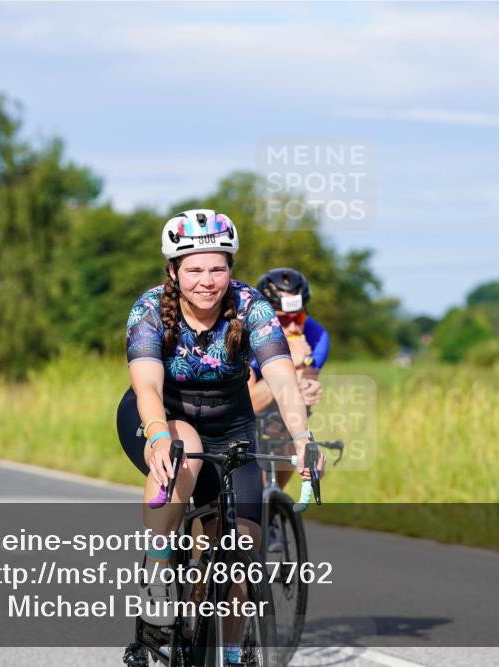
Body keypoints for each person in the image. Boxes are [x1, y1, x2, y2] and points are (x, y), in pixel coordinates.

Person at [115, 210, 325, 662]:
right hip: (160, 416)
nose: (206, 280)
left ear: (231, 268)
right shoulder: (149, 310)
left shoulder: (253, 308)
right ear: (173, 271)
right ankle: (156, 570)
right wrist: (155, 437)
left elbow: (282, 379)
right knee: (183, 447)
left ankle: (228, 651)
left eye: (218, 268)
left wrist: (304, 437)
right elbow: (147, 385)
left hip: (231, 427)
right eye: (193, 269)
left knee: (240, 548)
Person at [248, 268, 330, 493]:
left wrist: (306, 374)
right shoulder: (246, 333)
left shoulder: (316, 336)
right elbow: (251, 401)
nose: (294, 327)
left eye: (299, 317)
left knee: (290, 436)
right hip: (239, 408)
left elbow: (305, 388)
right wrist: (292, 364)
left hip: (277, 410)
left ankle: (274, 501)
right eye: (283, 319)